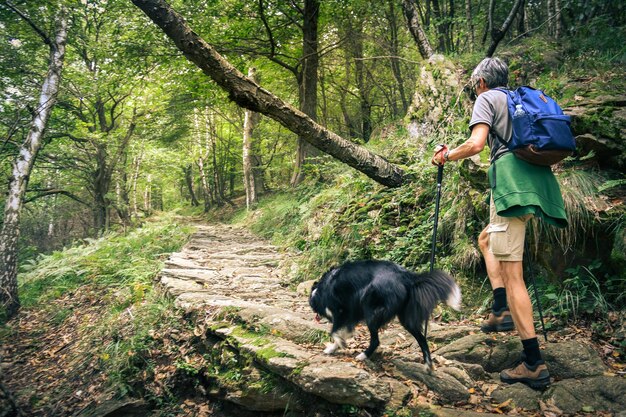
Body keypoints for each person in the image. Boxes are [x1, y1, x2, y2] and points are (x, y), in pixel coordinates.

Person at [431, 57, 567, 390]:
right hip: (534, 182)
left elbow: (477, 144)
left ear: (480, 82)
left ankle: (534, 362)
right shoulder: (515, 98)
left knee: (513, 272)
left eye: (475, 83)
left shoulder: (486, 99)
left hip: (511, 185)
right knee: (486, 240)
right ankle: (500, 308)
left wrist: (445, 156)